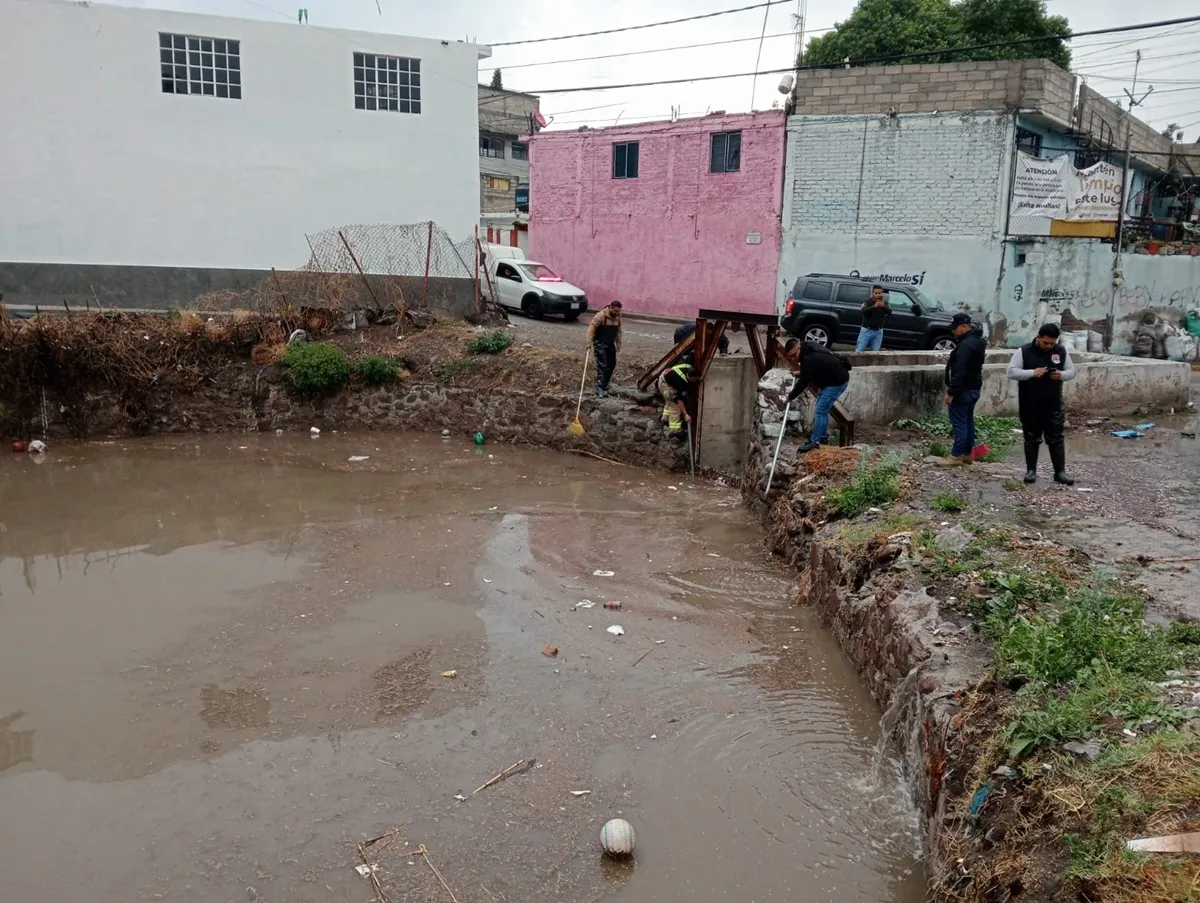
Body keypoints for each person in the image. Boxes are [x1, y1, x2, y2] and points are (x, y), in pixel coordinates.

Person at [1008, 322, 1076, 485]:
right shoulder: (1023, 351)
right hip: (1030, 403)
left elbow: (1072, 371)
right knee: (1031, 438)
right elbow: (1011, 371)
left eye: (1052, 343)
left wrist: (1060, 375)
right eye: (1046, 342)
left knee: (1056, 438)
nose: (1049, 346)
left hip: (1053, 403)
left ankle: (1059, 473)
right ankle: (1031, 471)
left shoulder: (1061, 351)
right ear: (1038, 337)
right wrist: (1033, 373)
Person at [786, 341, 852, 453]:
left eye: (793, 355)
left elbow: (803, 383)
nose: (793, 359)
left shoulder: (808, 359)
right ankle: (823, 437)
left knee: (820, 410)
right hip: (831, 379)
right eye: (790, 357)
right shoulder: (809, 348)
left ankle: (814, 442)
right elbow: (813, 368)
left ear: (798, 347)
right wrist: (801, 372)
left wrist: (790, 397)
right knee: (822, 409)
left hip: (836, 382)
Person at [944, 312, 987, 464]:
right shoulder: (978, 342)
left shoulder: (965, 345)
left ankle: (955, 456)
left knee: (959, 423)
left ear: (963, 326)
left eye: (955, 328)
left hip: (963, 390)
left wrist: (951, 393)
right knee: (968, 421)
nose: (953, 331)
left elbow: (960, 371)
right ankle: (967, 454)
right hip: (974, 388)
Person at [587, 300, 623, 397]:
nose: (616, 313)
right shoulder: (600, 316)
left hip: (610, 343)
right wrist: (589, 341)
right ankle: (600, 388)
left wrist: (618, 343)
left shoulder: (617, 318)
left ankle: (606, 385)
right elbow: (592, 327)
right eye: (615, 311)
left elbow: (618, 331)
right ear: (610, 307)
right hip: (600, 343)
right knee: (603, 365)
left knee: (611, 364)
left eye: (618, 311)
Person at [657, 362, 700, 438]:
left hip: (665, 377)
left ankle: (665, 419)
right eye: (694, 380)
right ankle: (675, 431)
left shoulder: (688, 366)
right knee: (675, 407)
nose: (695, 381)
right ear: (689, 377)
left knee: (669, 402)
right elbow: (679, 400)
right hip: (665, 385)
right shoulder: (681, 382)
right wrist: (685, 415)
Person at [856, 285, 890, 352]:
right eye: (876, 293)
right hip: (866, 331)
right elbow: (863, 311)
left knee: (875, 352)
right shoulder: (867, 302)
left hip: (878, 331)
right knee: (859, 351)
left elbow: (890, 312)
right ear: (872, 293)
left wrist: (883, 306)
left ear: (882, 294)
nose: (877, 295)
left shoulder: (885, 302)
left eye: (879, 293)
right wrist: (874, 306)